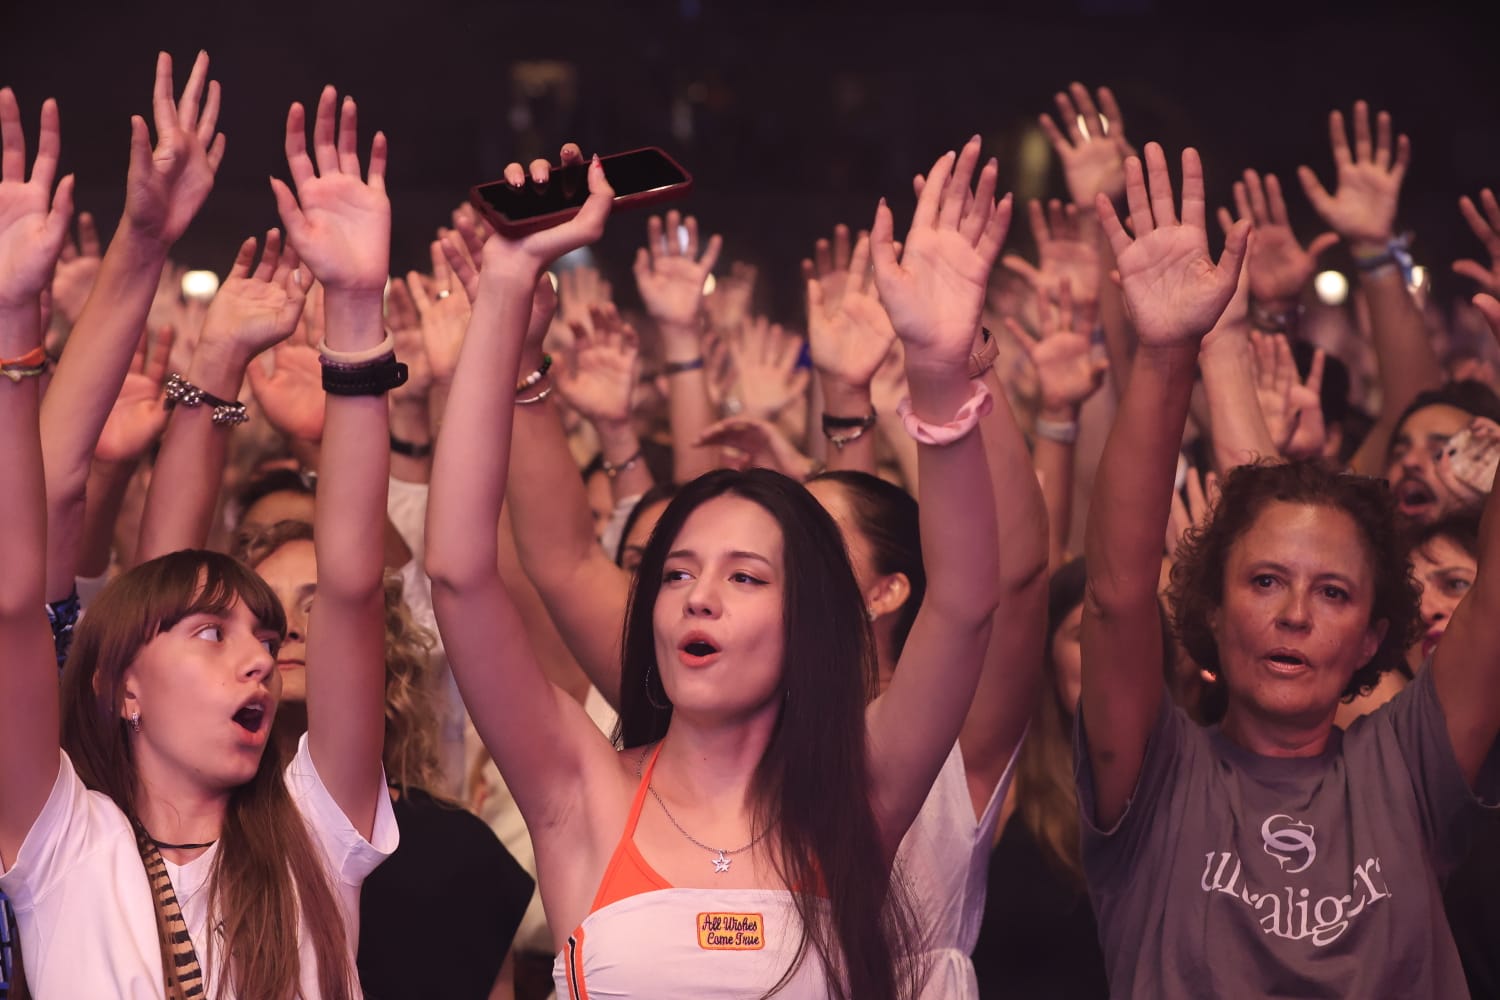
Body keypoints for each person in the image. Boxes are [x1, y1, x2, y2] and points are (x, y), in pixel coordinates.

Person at [427, 140, 1010, 999]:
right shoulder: (578, 788)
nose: (698, 597)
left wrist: (937, 373)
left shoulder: (860, 796)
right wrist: (507, 292)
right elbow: (459, 576)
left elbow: (962, 604)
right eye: (675, 575)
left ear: (809, 618)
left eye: (744, 577)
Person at [0, 69, 399, 998]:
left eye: (263, 639)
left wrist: (354, 311)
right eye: (212, 635)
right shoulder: (61, 839)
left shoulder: (317, 826)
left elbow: (348, 583)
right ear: (120, 686)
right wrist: (14, 328)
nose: (263, 661)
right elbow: (16, 597)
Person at [1077, 139, 1500, 997]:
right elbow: (1118, 594)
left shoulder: (1410, 764)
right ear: (1212, 606)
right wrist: (1165, 353)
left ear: (1376, 634)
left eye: (1334, 591)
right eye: (1265, 580)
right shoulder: (1157, 774)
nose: (1295, 613)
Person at [238, 520, 534, 1000]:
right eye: (265, 609)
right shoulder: (200, 833)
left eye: (317, 605)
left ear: (381, 644)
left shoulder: (461, 851)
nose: (289, 626)